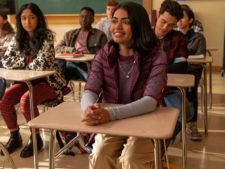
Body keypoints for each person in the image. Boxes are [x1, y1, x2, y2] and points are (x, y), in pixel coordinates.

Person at [81, 2, 167, 169]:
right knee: (100, 155)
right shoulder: (105, 53)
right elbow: (91, 88)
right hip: (113, 122)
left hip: (146, 119)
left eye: (126, 22)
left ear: (138, 25)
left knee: (131, 158)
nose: (117, 26)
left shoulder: (156, 55)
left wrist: (109, 114)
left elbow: (150, 101)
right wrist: (89, 109)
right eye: (114, 20)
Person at [0, 3, 66, 158]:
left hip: (48, 83)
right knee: (5, 99)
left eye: (32, 18)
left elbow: (41, 64)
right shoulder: (18, 37)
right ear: (19, 20)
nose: (27, 22)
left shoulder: (47, 36)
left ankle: (35, 138)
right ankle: (15, 136)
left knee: (26, 100)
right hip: (25, 82)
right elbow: (6, 62)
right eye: (23, 18)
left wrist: (21, 62)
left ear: (39, 19)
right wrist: (29, 60)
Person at [154, 0, 191, 141]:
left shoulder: (178, 39)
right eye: (163, 21)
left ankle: (161, 145)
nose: (164, 27)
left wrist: (153, 68)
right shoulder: (144, 37)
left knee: (185, 112)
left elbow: (181, 67)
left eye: (171, 25)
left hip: (168, 87)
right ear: (158, 15)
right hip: (143, 88)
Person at [177, 4, 206, 141]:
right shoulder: (173, 36)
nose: (179, 20)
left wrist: (185, 59)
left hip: (192, 71)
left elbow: (201, 57)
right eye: (177, 18)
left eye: (182, 17)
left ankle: (192, 124)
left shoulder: (198, 37)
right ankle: (173, 123)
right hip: (176, 70)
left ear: (190, 20)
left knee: (190, 88)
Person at [55, 7, 107, 82]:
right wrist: (71, 50)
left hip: (88, 64)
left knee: (68, 66)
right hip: (71, 64)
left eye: (87, 17)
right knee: (60, 62)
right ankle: (59, 87)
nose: (84, 19)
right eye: (82, 17)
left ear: (93, 19)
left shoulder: (100, 35)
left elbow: (105, 54)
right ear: (79, 18)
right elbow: (57, 48)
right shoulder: (69, 34)